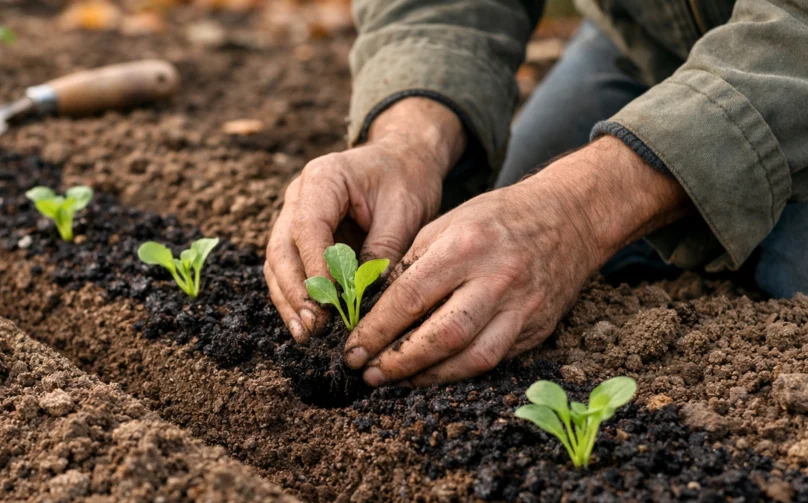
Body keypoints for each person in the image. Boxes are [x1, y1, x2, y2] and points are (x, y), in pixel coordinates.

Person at [264, 0, 808, 388]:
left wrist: (576, 211)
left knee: (786, 278)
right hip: (648, 31)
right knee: (488, 251)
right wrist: (410, 139)